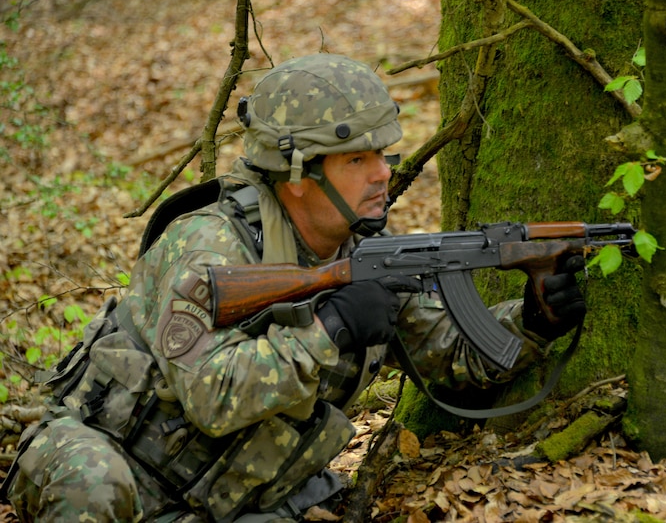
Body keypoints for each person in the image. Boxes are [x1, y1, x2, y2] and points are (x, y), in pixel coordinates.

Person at [2, 53, 585, 522]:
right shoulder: (207, 245)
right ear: (300, 176)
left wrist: (532, 321)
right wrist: (330, 330)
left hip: (231, 500)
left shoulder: (364, 255)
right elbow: (210, 395)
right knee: (90, 485)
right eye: (358, 158)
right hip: (116, 466)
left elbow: (451, 357)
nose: (384, 173)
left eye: (383, 154)